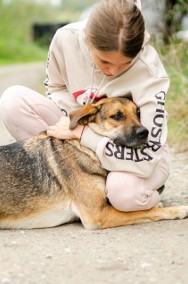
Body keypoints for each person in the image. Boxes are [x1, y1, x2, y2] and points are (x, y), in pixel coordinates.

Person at [0, 0, 170, 212]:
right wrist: (77, 118)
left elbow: (147, 158)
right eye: (104, 62)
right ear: (88, 42)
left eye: (125, 64)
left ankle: (133, 191)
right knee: (14, 100)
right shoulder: (65, 38)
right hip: (83, 128)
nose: (113, 71)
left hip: (139, 154)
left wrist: (83, 134)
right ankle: (71, 187)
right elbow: (55, 85)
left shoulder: (151, 74)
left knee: (124, 195)